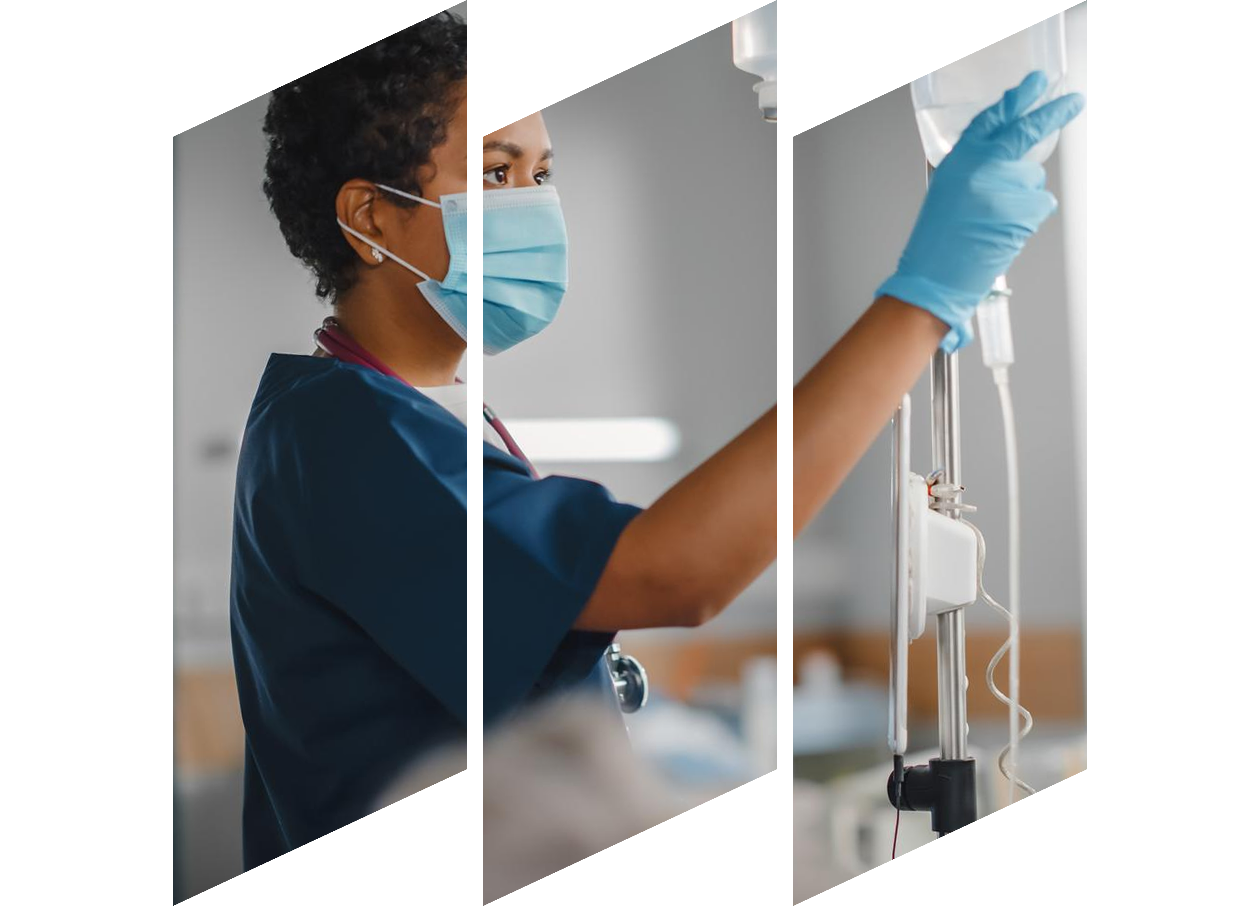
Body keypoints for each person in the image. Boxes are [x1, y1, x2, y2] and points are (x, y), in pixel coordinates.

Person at [230, 10, 1083, 870]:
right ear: (370, 218)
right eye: (498, 172)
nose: (538, 205)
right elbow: (674, 571)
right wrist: (919, 303)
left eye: (544, 172)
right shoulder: (341, 439)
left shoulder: (407, 417)